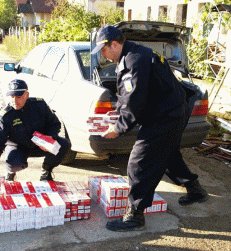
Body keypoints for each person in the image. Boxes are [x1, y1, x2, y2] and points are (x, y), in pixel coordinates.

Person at [91, 26, 209, 232]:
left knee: (139, 162)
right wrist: (115, 114)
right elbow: (127, 97)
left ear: (115, 45)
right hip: (170, 110)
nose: (102, 54)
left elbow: (135, 101)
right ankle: (195, 189)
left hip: (166, 116)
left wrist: (118, 129)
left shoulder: (134, 60)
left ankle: (135, 215)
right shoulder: (132, 54)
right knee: (167, 153)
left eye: (103, 49)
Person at [0, 79, 70, 182]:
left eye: (19, 97)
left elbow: (55, 123)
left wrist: (50, 137)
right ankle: (10, 173)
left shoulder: (39, 105)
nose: (15, 101)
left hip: (40, 145)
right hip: (18, 148)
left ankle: (46, 171)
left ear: (27, 95)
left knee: (64, 144)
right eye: (12, 97)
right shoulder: (6, 116)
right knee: (14, 163)